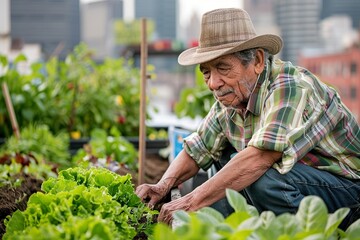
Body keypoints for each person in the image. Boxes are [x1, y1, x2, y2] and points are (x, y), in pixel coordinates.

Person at [136, 8, 360, 228]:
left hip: (348, 191)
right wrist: (163, 185)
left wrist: (189, 202)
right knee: (225, 156)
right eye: (206, 72)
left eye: (223, 68)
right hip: (303, 184)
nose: (213, 83)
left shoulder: (291, 87)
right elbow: (198, 148)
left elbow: (260, 158)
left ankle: (308, 232)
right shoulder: (235, 97)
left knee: (260, 177)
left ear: (258, 61)